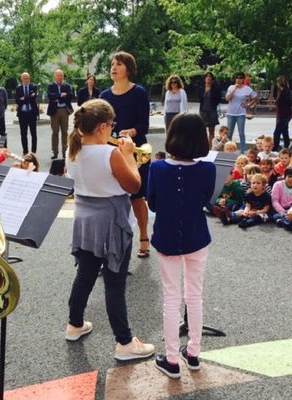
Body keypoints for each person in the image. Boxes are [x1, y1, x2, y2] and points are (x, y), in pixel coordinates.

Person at [65, 99, 154, 361]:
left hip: (85, 221)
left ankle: (75, 324)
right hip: (111, 222)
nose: (114, 130)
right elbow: (134, 185)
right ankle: (125, 343)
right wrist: (128, 155)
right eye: (111, 125)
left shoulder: (74, 150)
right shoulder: (110, 153)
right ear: (104, 126)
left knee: (85, 274)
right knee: (115, 282)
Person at [147, 113, 215, 379]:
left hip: (166, 237)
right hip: (197, 236)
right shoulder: (208, 169)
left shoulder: (157, 167)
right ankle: (194, 353)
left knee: (171, 298)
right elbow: (205, 198)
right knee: (194, 296)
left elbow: (152, 203)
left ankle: (172, 359)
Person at [100, 51, 151, 258]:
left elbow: (144, 125)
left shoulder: (139, 93)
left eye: (119, 64)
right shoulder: (104, 96)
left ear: (128, 69)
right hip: (111, 151)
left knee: (137, 198)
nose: (114, 67)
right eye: (112, 64)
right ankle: (113, 244)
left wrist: (131, 132)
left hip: (135, 151)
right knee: (112, 198)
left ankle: (144, 237)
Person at [225, 72, 258, 153]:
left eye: (240, 78)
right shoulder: (231, 87)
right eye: (237, 78)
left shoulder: (247, 89)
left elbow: (256, 97)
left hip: (241, 113)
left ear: (243, 79)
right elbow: (227, 99)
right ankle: (228, 150)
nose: (238, 79)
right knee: (229, 134)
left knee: (241, 133)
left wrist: (248, 104)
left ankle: (242, 151)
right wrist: (235, 89)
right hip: (230, 113)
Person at [47, 69, 74, 159]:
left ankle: (64, 152)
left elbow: (70, 96)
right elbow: (50, 96)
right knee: (55, 132)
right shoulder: (50, 86)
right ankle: (55, 152)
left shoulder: (67, 86)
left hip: (64, 110)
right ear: (55, 76)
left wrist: (57, 97)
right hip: (54, 111)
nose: (60, 77)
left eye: (61, 75)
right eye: (58, 75)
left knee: (65, 132)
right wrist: (60, 95)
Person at [15, 72, 39, 154]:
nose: (27, 80)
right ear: (21, 79)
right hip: (22, 114)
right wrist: (28, 97)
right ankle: (25, 151)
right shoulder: (18, 88)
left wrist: (24, 99)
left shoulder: (33, 87)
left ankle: (33, 151)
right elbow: (17, 101)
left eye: (28, 78)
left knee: (34, 133)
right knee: (23, 133)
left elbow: (34, 98)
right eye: (25, 78)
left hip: (32, 113)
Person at [272, 76, 292, 151]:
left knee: (277, 132)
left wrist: (278, 102)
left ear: (279, 83)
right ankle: (287, 146)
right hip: (285, 114)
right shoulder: (285, 90)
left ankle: (275, 148)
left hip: (283, 114)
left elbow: (288, 102)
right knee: (284, 130)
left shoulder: (284, 91)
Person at [199, 72, 220, 144]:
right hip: (203, 111)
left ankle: (210, 148)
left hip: (212, 111)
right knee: (202, 131)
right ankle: (203, 147)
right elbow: (199, 98)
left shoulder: (215, 88)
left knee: (211, 131)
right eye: (207, 76)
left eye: (210, 76)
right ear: (204, 79)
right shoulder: (201, 88)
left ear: (212, 79)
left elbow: (218, 99)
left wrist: (213, 105)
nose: (208, 78)